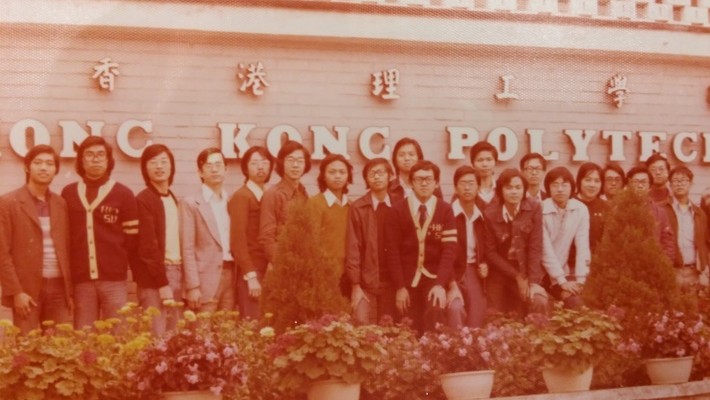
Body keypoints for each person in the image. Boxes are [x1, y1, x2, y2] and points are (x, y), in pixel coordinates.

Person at [62, 136, 138, 329]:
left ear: (108, 160)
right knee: (84, 336)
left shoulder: (124, 194)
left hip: (114, 280)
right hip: (82, 281)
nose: (95, 159)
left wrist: (114, 261)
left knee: (118, 334)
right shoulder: (68, 193)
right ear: (81, 160)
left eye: (100, 155)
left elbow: (131, 240)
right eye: (89, 155)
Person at [0, 145, 73, 333]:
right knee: (26, 351)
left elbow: (67, 248)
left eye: (49, 164)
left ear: (55, 170)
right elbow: (2, 253)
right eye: (38, 163)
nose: (43, 168)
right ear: (27, 167)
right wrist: (16, 292)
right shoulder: (8, 203)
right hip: (27, 290)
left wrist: (69, 291)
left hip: (58, 289)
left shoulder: (60, 203)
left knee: (61, 351)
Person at [386, 160, 457, 333]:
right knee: (406, 324)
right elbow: (392, 252)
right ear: (411, 183)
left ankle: (433, 357)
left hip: (433, 278)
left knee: (435, 310)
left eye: (428, 179)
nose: (424, 183)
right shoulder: (397, 210)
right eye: (419, 179)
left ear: (436, 183)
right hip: (406, 279)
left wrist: (440, 284)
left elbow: (449, 251)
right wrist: (400, 287)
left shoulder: (445, 210)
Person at [483, 168, 548, 317]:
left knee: (538, 300)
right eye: (509, 188)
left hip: (525, 268)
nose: (514, 192)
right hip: (499, 271)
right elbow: (490, 253)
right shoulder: (490, 213)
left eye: (518, 188)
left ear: (524, 190)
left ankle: (539, 338)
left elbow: (535, 247)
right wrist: (516, 276)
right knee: (495, 314)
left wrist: (533, 281)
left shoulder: (534, 207)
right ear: (500, 190)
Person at [134, 144, 182, 335]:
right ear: (145, 169)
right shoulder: (144, 199)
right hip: (156, 278)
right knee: (157, 337)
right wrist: (162, 283)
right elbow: (148, 247)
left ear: (172, 167)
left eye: (164, 161)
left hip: (177, 271)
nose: (159, 166)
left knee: (173, 336)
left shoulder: (172, 198)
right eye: (153, 162)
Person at [180, 148, 235, 312]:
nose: (214, 169)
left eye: (218, 164)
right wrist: (192, 286)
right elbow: (187, 248)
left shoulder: (232, 201)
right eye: (209, 165)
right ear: (200, 172)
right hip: (204, 280)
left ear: (226, 169)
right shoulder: (191, 203)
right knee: (202, 334)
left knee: (227, 332)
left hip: (231, 274)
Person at [345, 158, 399, 325]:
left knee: (390, 327)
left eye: (381, 172)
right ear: (366, 179)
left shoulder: (401, 204)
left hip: (394, 281)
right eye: (371, 174)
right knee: (362, 323)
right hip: (366, 281)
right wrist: (355, 284)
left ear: (390, 176)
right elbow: (353, 247)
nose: (376, 177)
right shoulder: (358, 207)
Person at [228, 146, 273, 319]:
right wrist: (250, 276)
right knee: (253, 324)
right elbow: (237, 241)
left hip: (269, 270)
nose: (260, 167)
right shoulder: (242, 196)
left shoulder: (269, 194)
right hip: (253, 271)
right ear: (246, 168)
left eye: (264, 162)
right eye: (254, 163)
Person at [540, 167, 590, 309]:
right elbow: (545, 250)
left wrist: (581, 280)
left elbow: (583, 246)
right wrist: (562, 281)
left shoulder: (580, 209)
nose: (560, 189)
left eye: (564, 185)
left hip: (564, 270)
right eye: (555, 185)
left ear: (572, 187)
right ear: (548, 188)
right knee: (572, 302)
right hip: (541, 273)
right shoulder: (540, 208)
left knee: (580, 300)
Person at [259, 141, 311, 270]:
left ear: (306, 165)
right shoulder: (272, 194)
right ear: (282, 163)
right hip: (282, 267)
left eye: (300, 161)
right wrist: (283, 264)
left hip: (303, 266)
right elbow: (267, 238)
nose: (295, 165)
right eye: (290, 160)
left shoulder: (303, 193)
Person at [307, 153, 353, 296]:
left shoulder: (351, 206)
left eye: (342, 172)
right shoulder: (315, 203)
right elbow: (311, 243)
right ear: (323, 176)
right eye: (332, 172)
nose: (337, 176)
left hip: (348, 275)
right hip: (324, 275)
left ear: (348, 177)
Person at [448, 166, 488, 328]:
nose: (467, 187)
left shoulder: (485, 214)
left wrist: (486, 263)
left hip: (473, 269)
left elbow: (490, 246)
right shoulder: (447, 213)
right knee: (455, 308)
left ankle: (474, 349)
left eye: (471, 183)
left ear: (478, 187)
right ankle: (455, 349)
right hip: (452, 269)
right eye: (462, 183)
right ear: (455, 188)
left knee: (477, 311)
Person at [663, 166, 709, 294]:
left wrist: (704, 269)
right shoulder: (662, 210)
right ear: (670, 185)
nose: (679, 184)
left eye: (683, 180)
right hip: (670, 272)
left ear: (691, 184)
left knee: (693, 311)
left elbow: (703, 244)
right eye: (676, 181)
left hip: (693, 272)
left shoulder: (699, 213)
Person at [626, 165, 676, 263]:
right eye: (636, 182)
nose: (640, 186)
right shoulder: (618, 210)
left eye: (644, 182)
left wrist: (663, 266)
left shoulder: (660, 213)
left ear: (649, 186)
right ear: (629, 185)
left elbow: (668, 243)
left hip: (653, 268)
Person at [576, 162, 608, 254]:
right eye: (588, 180)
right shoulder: (569, 204)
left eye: (597, 181)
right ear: (579, 181)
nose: (592, 185)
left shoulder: (606, 207)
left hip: (598, 262)